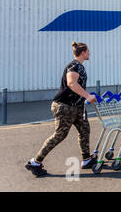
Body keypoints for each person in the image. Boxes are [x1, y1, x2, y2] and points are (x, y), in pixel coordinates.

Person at [25, 42, 97, 177]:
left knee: (85, 130)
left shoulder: (79, 66)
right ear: (83, 52)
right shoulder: (74, 66)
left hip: (77, 107)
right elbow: (71, 83)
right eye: (88, 51)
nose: (89, 53)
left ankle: (86, 159)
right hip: (65, 106)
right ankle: (35, 162)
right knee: (60, 135)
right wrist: (87, 96)